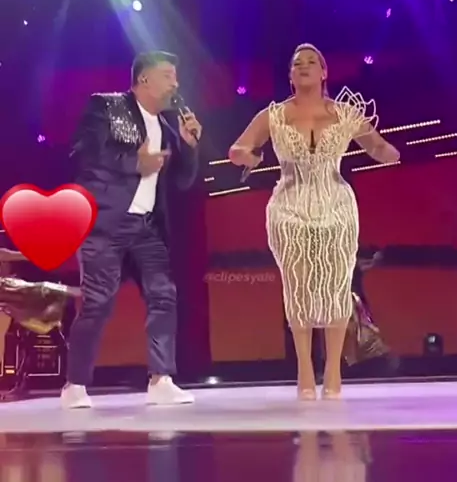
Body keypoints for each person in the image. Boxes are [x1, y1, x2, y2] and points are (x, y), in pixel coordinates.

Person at [229, 43, 399, 400]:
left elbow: (376, 146)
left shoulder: (345, 113)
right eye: (297, 63)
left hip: (335, 206)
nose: (303, 66)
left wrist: (388, 153)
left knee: (336, 287)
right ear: (290, 76)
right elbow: (238, 148)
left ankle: (333, 371)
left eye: (311, 62)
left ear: (324, 72)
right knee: (298, 289)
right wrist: (247, 155)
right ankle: (305, 371)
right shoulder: (273, 116)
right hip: (289, 207)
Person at [61, 50, 202, 409]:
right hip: (104, 223)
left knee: (163, 295)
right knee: (98, 303)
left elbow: (182, 181)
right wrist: (133, 164)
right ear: (144, 79)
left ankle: (161, 379)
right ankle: (75, 384)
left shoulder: (166, 127)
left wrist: (188, 146)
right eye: (168, 76)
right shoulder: (106, 107)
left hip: (147, 227)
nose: (175, 84)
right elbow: (84, 153)